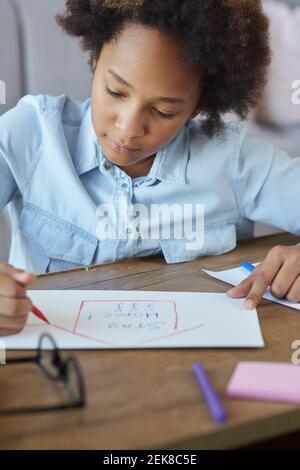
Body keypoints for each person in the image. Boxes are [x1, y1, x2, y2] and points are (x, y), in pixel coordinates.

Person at [0, 0, 299, 336]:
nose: (128, 129)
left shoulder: (233, 162)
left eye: (164, 112)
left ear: (199, 105)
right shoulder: (31, 134)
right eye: (115, 91)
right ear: (95, 58)